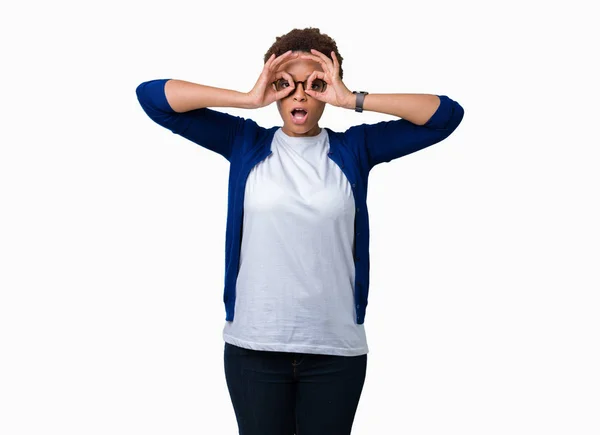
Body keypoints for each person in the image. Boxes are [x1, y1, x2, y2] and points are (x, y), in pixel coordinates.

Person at [136, 27, 464, 435]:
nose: (299, 94)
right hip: (254, 348)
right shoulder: (244, 141)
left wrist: (351, 99)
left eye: (315, 83)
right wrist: (248, 98)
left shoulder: (354, 149)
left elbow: (445, 117)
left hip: (335, 351)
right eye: (285, 83)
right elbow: (152, 97)